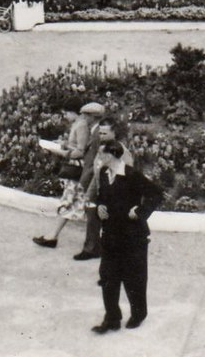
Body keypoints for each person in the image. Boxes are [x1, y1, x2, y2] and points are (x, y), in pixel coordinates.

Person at [91, 140, 163, 334]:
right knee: (108, 277)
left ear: (112, 155)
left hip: (132, 237)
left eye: (101, 154)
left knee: (134, 278)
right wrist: (100, 207)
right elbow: (101, 196)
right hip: (111, 234)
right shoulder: (104, 173)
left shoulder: (131, 175)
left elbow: (156, 194)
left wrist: (140, 211)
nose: (99, 157)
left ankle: (139, 314)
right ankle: (112, 318)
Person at [33, 101, 105, 251]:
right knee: (72, 202)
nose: (84, 117)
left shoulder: (83, 127)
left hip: (79, 170)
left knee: (69, 201)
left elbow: (81, 151)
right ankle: (53, 236)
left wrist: (60, 151)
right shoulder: (86, 127)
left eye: (66, 112)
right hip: (82, 170)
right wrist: (65, 145)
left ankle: (53, 237)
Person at [75, 116, 133, 261]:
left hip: (116, 193)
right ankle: (92, 248)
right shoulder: (102, 150)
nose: (101, 136)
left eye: (105, 133)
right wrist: (90, 194)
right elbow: (97, 173)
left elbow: (128, 176)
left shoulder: (122, 152)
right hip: (101, 190)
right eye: (100, 133)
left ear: (114, 133)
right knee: (91, 213)